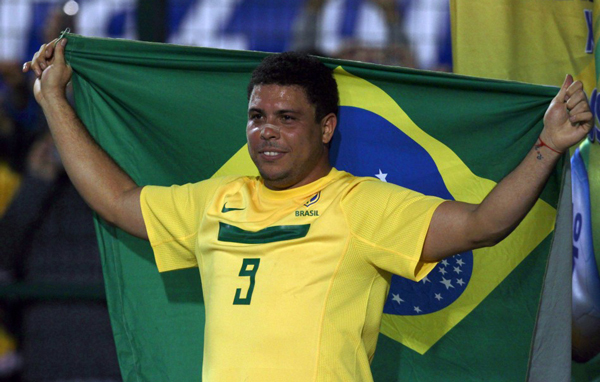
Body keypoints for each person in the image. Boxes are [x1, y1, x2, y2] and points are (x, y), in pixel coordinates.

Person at [23, 37, 592, 381]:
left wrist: (546, 147)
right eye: (256, 117)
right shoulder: (219, 198)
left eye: (286, 118)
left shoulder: (360, 204)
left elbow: (482, 225)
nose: (266, 132)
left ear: (326, 127)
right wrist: (53, 98)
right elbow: (120, 202)